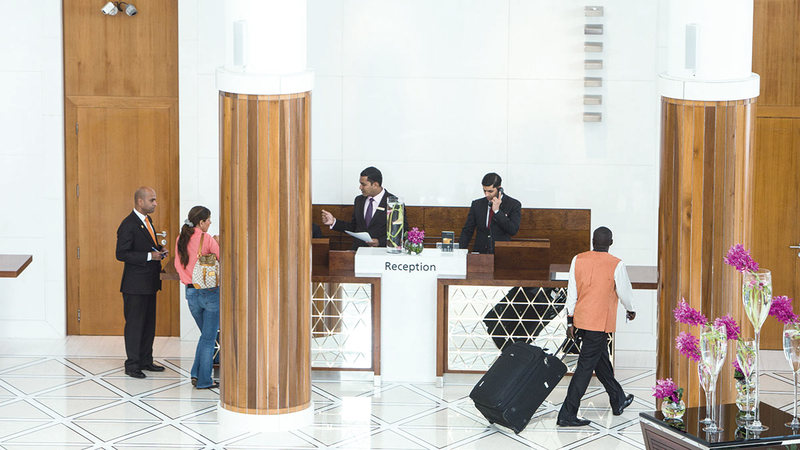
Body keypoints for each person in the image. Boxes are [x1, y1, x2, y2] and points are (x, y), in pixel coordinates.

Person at [557, 226, 636, 427]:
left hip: (581, 320)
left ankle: (618, 399)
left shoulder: (578, 259)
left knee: (601, 362)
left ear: (592, 241)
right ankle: (567, 414)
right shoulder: (616, 264)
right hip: (599, 323)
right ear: (611, 242)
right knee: (585, 368)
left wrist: (570, 320)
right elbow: (624, 291)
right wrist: (631, 309)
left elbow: (571, 292)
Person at [115, 186, 167, 379]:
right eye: (152, 200)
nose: (155, 203)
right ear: (140, 201)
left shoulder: (147, 220)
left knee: (148, 325)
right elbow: (121, 254)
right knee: (135, 325)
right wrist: (149, 256)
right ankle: (132, 365)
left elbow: (146, 245)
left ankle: (146, 360)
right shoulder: (128, 224)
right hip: (135, 285)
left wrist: (158, 250)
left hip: (149, 283)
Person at [174, 206, 220, 389]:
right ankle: (204, 380)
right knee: (209, 338)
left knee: (205, 336)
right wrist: (217, 242)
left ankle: (196, 374)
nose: (210, 222)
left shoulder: (181, 238)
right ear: (201, 222)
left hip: (191, 293)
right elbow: (221, 257)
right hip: (209, 292)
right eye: (208, 219)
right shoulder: (206, 238)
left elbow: (178, 265)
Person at [320, 166, 405, 249]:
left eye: (363, 184)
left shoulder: (394, 203)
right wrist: (334, 222)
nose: (360, 187)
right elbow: (354, 227)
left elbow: (402, 232)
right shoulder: (359, 200)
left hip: (381, 252)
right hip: (358, 250)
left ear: (375, 185)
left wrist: (380, 242)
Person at [459, 173, 521, 254]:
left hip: (501, 252)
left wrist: (497, 212)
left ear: (499, 189)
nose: (486, 194)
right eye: (484, 190)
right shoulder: (477, 204)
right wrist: (460, 251)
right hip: (480, 252)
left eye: (490, 191)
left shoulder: (513, 204)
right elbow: (467, 230)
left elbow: (513, 230)